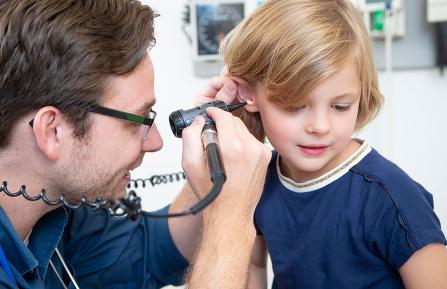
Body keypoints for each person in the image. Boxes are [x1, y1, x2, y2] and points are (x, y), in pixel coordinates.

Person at [0, 0, 271, 288]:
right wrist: (231, 218)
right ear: (52, 131)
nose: (155, 142)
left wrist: (217, 148)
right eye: (137, 120)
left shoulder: (58, 215)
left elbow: (153, 251)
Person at [210, 0, 447, 288]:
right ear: (247, 93)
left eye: (341, 106)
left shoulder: (392, 199)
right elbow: (252, 263)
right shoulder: (256, 179)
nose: (320, 127)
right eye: (296, 106)